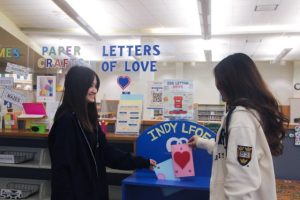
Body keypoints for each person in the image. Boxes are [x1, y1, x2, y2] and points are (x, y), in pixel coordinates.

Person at [188, 53, 288, 200]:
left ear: (231, 83)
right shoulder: (247, 114)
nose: (219, 90)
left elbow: (241, 179)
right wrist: (200, 142)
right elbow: (228, 149)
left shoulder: (241, 119)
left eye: (220, 84)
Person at [48, 66, 156, 200]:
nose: (95, 90)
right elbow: (62, 170)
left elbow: (106, 153)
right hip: (77, 194)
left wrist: (142, 162)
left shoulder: (89, 118)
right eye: (90, 85)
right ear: (77, 86)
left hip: (94, 191)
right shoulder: (66, 121)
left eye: (95, 85)